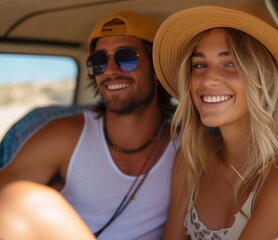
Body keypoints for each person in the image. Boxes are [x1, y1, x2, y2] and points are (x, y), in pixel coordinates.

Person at [152, 5, 278, 240]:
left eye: (231, 63)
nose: (209, 79)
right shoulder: (192, 160)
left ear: (263, 76)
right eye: (199, 65)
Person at [0, 11, 176, 239]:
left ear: (157, 68)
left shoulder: (187, 146)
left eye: (126, 58)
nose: (110, 71)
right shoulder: (65, 134)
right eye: (99, 62)